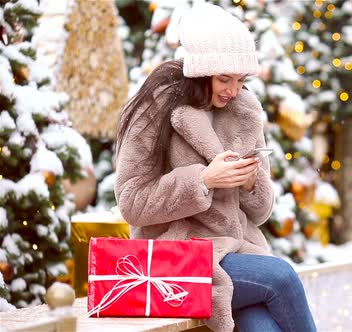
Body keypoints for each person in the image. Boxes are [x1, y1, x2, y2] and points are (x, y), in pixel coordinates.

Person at [114, 3, 316, 332]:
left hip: (236, 251)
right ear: (200, 71)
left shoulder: (244, 111)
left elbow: (262, 212)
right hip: (177, 258)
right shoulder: (156, 109)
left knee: (263, 328)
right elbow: (131, 202)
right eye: (224, 79)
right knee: (282, 276)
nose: (234, 90)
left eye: (241, 79)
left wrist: (251, 183)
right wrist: (204, 180)